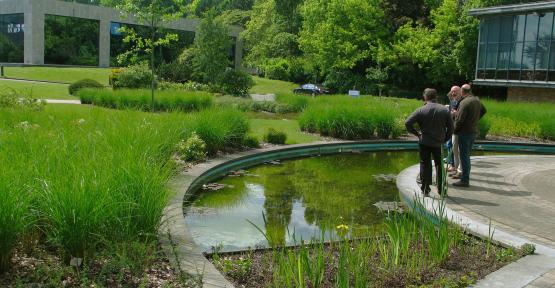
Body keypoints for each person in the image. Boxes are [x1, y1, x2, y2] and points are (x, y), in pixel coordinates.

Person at [406, 88, 454, 196]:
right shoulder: (444, 110)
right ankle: (441, 189)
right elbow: (451, 128)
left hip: (424, 142)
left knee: (425, 164)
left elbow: (407, 123)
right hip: (438, 143)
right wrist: (445, 139)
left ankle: (425, 189)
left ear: (425, 97)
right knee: (439, 165)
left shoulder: (421, 110)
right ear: (436, 97)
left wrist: (417, 134)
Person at [452, 84, 487, 187]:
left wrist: (454, 131)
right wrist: (474, 120)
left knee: (464, 157)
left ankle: (465, 180)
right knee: (467, 156)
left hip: (464, 132)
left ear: (462, 92)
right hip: (473, 132)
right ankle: (464, 177)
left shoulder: (464, 102)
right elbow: (484, 111)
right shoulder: (477, 100)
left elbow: (459, 120)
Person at [448, 86, 463, 178]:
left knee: (459, 150)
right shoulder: (452, 102)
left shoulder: (463, 102)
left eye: (455, 91)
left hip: (461, 130)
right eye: (452, 92)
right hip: (453, 128)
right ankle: (455, 168)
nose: (453, 93)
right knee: (453, 149)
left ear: (460, 92)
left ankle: (460, 171)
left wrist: (456, 114)